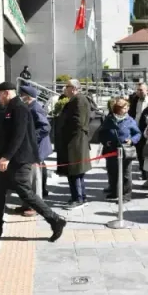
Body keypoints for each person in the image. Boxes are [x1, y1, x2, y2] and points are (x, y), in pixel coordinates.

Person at [0, 82, 66, 242]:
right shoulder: (11, 108)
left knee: (25, 192)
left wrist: (6, 157)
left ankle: (55, 220)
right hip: (10, 159)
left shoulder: (19, 108)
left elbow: (18, 135)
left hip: (19, 160)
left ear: (5, 93)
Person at [55, 79, 92, 209]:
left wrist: (65, 132)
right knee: (76, 172)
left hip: (75, 143)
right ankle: (80, 197)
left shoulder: (79, 100)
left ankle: (78, 199)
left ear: (74, 88)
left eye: (67, 86)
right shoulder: (76, 100)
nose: (65, 88)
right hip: (74, 142)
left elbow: (79, 122)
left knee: (75, 171)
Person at [18, 85, 52, 216]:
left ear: (27, 96)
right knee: (28, 178)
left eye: (22, 94)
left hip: (36, 148)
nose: (20, 96)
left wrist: (31, 138)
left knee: (34, 179)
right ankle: (27, 203)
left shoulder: (35, 107)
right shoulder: (30, 106)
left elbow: (45, 127)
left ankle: (35, 207)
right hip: (32, 148)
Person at [99, 99, 141, 203]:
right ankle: (114, 192)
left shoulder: (130, 120)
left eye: (127, 107)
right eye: (124, 107)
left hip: (125, 150)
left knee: (126, 173)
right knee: (112, 172)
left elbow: (138, 134)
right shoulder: (109, 119)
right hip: (111, 150)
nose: (126, 109)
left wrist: (132, 140)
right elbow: (101, 133)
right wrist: (106, 142)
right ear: (118, 108)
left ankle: (126, 195)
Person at [128, 83, 148, 181]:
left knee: (147, 153)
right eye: (138, 90)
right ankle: (143, 172)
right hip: (137, 129)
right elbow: (132, 113)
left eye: (141, 90)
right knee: (139, 152)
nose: (139, 92)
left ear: (147, 90)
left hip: (147, 130)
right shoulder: (135, 100)